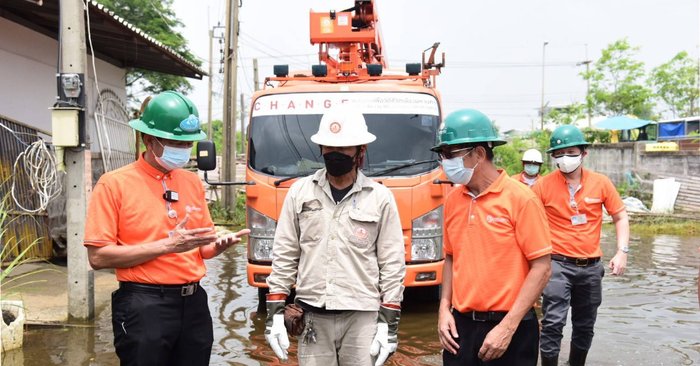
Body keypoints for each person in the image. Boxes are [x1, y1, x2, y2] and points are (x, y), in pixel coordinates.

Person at [83, 91, 250, 366]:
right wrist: (167, 245)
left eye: (188, 144)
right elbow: (98, 256)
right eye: (176, 143)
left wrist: (217, 246)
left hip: (194, 303)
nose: (184, 151)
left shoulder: (192, 182)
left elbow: (201, 248)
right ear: (150, 140)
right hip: (144, 304)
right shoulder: (114, 184)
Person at [264, 108, 406, 366]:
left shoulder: (379, 197)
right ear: (320, 148)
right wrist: (274, 314)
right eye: (329, 148)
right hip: (312, 317)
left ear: (360, 151)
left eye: (343, 148)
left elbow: (392, 263)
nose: (335, 155)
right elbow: (284, 254)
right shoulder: (300, 193)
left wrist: (389, 324)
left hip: (362, 318)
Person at [434, 109, 552, 366]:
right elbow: (451, 259)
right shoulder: (454, 200)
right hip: (461, 328)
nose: (445, 162)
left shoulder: (521, 199)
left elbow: (541, 268)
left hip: (512, 327)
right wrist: (444, 310)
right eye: (442, 155)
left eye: (450, 155)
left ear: (479, 153)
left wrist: (507, 327)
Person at [533, 125, 629, 366]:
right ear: (553, 156)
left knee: (585, 325)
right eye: (559, 153)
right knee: (553, 322)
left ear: (583, 153)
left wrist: (622, 251)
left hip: (591, 267)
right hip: (556, 265)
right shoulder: (543, 186)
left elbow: (620, 216)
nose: (565, 158)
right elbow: (528, 223)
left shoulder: (601, 183)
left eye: (571, 151)